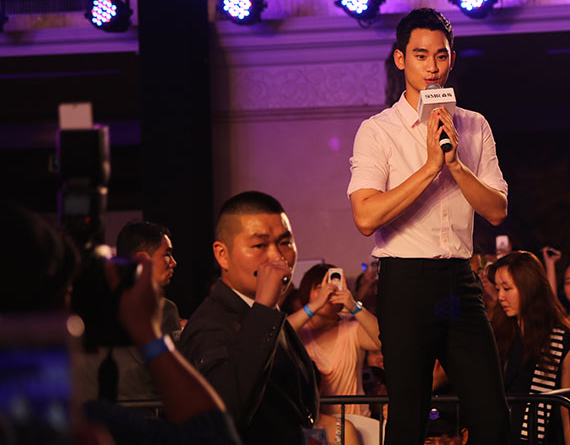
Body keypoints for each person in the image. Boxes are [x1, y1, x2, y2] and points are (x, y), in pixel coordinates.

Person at [347, 8, 509, 445]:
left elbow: (497, 210)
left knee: (492, 415)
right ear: (401, 59)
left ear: (452, 59)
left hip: (457, 284)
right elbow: (365, 217)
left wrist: (454, 165)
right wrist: (429, 167)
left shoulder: (473, 125)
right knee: (409, 416)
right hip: (407, 287)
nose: (432, 67)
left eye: (441, 55)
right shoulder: (378, 131)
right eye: (421, 56)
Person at [0, 201, 241, 445]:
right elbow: (215, 438)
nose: (174, 262)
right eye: (167, 254)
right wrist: (149, 336)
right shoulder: (79, 425)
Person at [177, 191, 318, 445]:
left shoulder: (269, 313)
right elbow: (226, 411)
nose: (277, 257)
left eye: (285, 242)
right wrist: (263, 307)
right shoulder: (210, 324)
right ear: (222, 254)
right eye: (260, 246)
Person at [79, 221, 184, 403]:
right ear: (141, 260)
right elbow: (174, 378)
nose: (174, 262)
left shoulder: (89, 305)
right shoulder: (164, 309)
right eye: (167, 255)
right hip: (148, 412)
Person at [488, 251, 570, 445]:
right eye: (498, 289)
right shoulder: (497, 332)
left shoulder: (560, 340)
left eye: (507, 288)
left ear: (529, 287)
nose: (501, 296)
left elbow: (569, 411)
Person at [291, 263, 381, 417]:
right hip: (316, 423)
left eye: (333, 286)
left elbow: (384, 340)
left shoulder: (351, 327)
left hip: (356, 420)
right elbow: (277, 334)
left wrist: (353, 306)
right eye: (320, 287)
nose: (328, 292)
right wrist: (315, 305)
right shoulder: (300, 331)